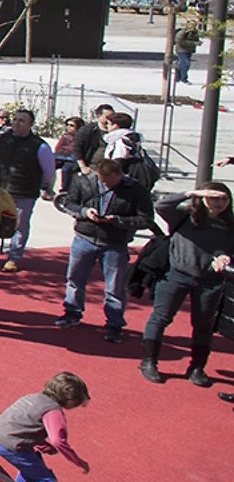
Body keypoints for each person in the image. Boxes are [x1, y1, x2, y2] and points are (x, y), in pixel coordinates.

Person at [140, 184, 234, 385]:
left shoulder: (229, 224)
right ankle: (149, 361)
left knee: (203, 325)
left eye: (224, 199)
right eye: (214, 198)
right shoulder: (185, 215)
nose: (219, 203)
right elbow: (161, 205)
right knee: (161, 317)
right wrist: (191, 193)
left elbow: (227, 250)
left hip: (210, 281)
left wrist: (225, 258)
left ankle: (197, 367)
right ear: (203, 198)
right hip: (177, 274)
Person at [54, 158, 154, 343]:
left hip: (115, 243)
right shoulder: (84, 181)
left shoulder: (135, 190)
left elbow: (146, 219)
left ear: (119, 175)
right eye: (102, 180)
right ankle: (72, 313)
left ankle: (114, 324)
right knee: (75, 279)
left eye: (109, 181)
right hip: (84, 238)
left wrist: (117, 220)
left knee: (114, 288)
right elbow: (68, 203)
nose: (105, 184)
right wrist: (85, 212)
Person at [0, 108, 56, 272]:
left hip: (24, 192)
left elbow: (48, 172)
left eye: (22, 121)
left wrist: (38, 185)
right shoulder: (2, 138)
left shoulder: (40, 146)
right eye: (15, 119)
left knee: (19, 226)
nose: (16, 123)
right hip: (0, 188)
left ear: (31, 124)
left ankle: (14, 257)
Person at [51, 115, 85, 196]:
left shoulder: (81, 137)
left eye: (72, 125)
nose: (69, 127)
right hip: (62, 156)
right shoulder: (65, 136)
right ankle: (46, 189)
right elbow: (58, 147)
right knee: (49, 165)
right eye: (68, 125)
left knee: (66, 169)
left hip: (72, 159)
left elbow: (77, 150)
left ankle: (64, 191)